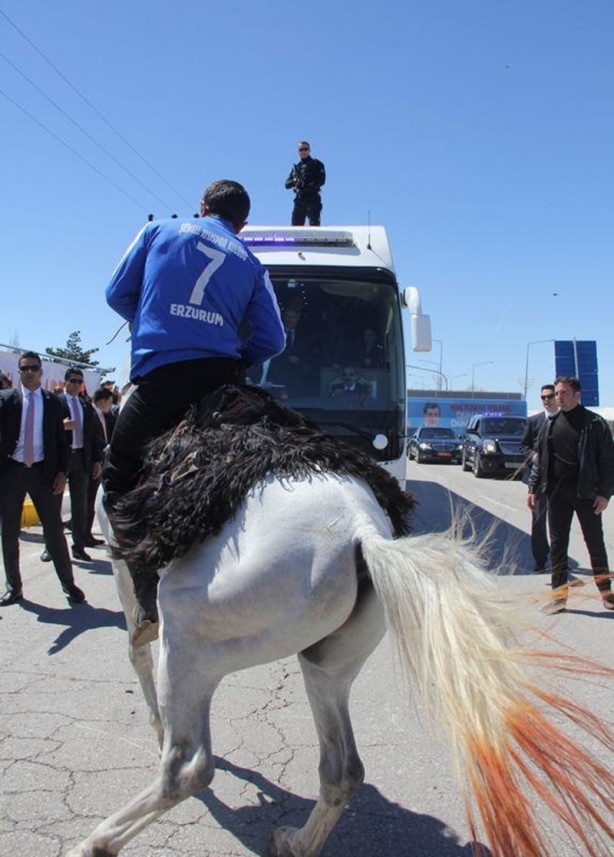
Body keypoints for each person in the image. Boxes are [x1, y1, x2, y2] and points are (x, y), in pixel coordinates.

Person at [102, 179, 286, 645]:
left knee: (118, 475)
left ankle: (147, 596)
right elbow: (274, 339)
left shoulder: (157, 231)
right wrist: (237, 359)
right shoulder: (251, 262)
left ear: (202, 206)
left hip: (163, 380)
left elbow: (115, 294)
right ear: (242, 225)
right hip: (222, 383)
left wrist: (154, 321)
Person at [0, 351, 86, 607]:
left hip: (43, 474)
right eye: (24, 368)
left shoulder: (53, 402)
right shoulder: (6, 400)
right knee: (9, 533)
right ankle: (14, 588)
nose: (29, 372)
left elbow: (62, 441)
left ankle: (68, 584)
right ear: (19, 372)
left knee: (55, 531)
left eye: (33, 368)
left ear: (41, 372)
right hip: (11, 473)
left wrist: (62, 472)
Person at [527, 376, 614, 614]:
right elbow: (541, 460)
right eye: (557, 393)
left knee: (595, 544)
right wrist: (533, 488)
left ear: (577, 394)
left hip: (586, 494)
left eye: (563, 393)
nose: (559, 397)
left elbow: (608, 461)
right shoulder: (550, 424)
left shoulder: (594, 423)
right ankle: (559, 598)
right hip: (557, 495)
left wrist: (605, 494)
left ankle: (607, 594)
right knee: (558, 547)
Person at [40, 368, 106, 562]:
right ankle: (50, 547)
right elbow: (42, 429)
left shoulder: (85, 405)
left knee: (80, 507)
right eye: (73, 381)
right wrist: (62, 426)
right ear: (66, 381)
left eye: (80, 381)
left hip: (81, 460)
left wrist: (96, 460)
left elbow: (92, 435)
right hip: (60, 460)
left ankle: (79, 546)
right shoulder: (55, 402)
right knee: (54, 506)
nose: (77, 385)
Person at [519, 384, 558, 572]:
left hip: (559, 480)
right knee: (539, 521)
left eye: (550, 396)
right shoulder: (534, 421)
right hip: (539, 480)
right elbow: (523, 446)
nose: (546, 400)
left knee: (558, 522)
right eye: (543, 397)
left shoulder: (564, 420)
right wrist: (534, 456)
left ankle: (559, 558)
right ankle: (540, 559)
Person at [285, 141, 326, 226]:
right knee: (296, 228)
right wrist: (296, 182)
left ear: (309, 150)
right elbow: (286, 184)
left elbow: (321, 181)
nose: (303, 151)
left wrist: (309, 185)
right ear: (298, 151)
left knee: (314, 227)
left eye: (305, 149)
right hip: (300, 199)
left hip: (313, 198)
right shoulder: (297, 168)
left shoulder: (317, 164)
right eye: (301, 149)